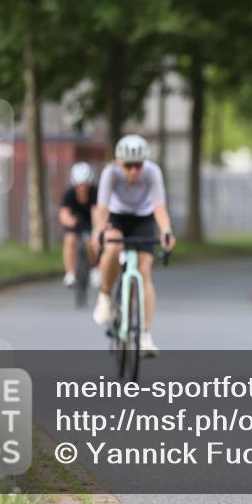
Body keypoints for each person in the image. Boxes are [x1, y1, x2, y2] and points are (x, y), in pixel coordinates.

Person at [90, 134, 175, 357]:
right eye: (129, 166)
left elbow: (159, 208)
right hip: (117, 217)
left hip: (143, 218)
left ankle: (145, 336)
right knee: (112, 248)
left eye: (138, 166)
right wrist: (98, 231)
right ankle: (106, 296)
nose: (134, 172)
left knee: (144, 271)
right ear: (120, 163)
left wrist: (166, 231)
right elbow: (102, 208)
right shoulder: (110, 173)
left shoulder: (153, 172)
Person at [59, 162, 100, 289]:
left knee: (92, 242)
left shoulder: (95, 193)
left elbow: (97, 213)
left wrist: (96, 230)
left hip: (91, 223)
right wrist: (71, 221)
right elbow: (64, 215)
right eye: (79, 185)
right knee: (69, 239)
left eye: (84, 185)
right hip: (76, 223)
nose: (81, 188)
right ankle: (70, 274)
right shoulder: (69, 194)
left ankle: (94, 268)